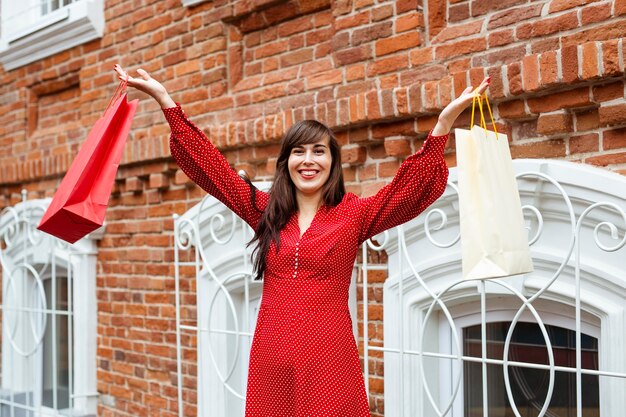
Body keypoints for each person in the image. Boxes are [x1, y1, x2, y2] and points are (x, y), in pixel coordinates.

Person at [114, 64, 489, 416]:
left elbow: (407, 191)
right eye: (298, 151)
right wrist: (167, 102)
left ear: (332, 163)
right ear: (286, 163)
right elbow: (214, 170)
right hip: (271, 357)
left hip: (328, 359)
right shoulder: (264, 211)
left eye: (318, 151)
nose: (308, 161)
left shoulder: (354, 214)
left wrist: (442, 125)